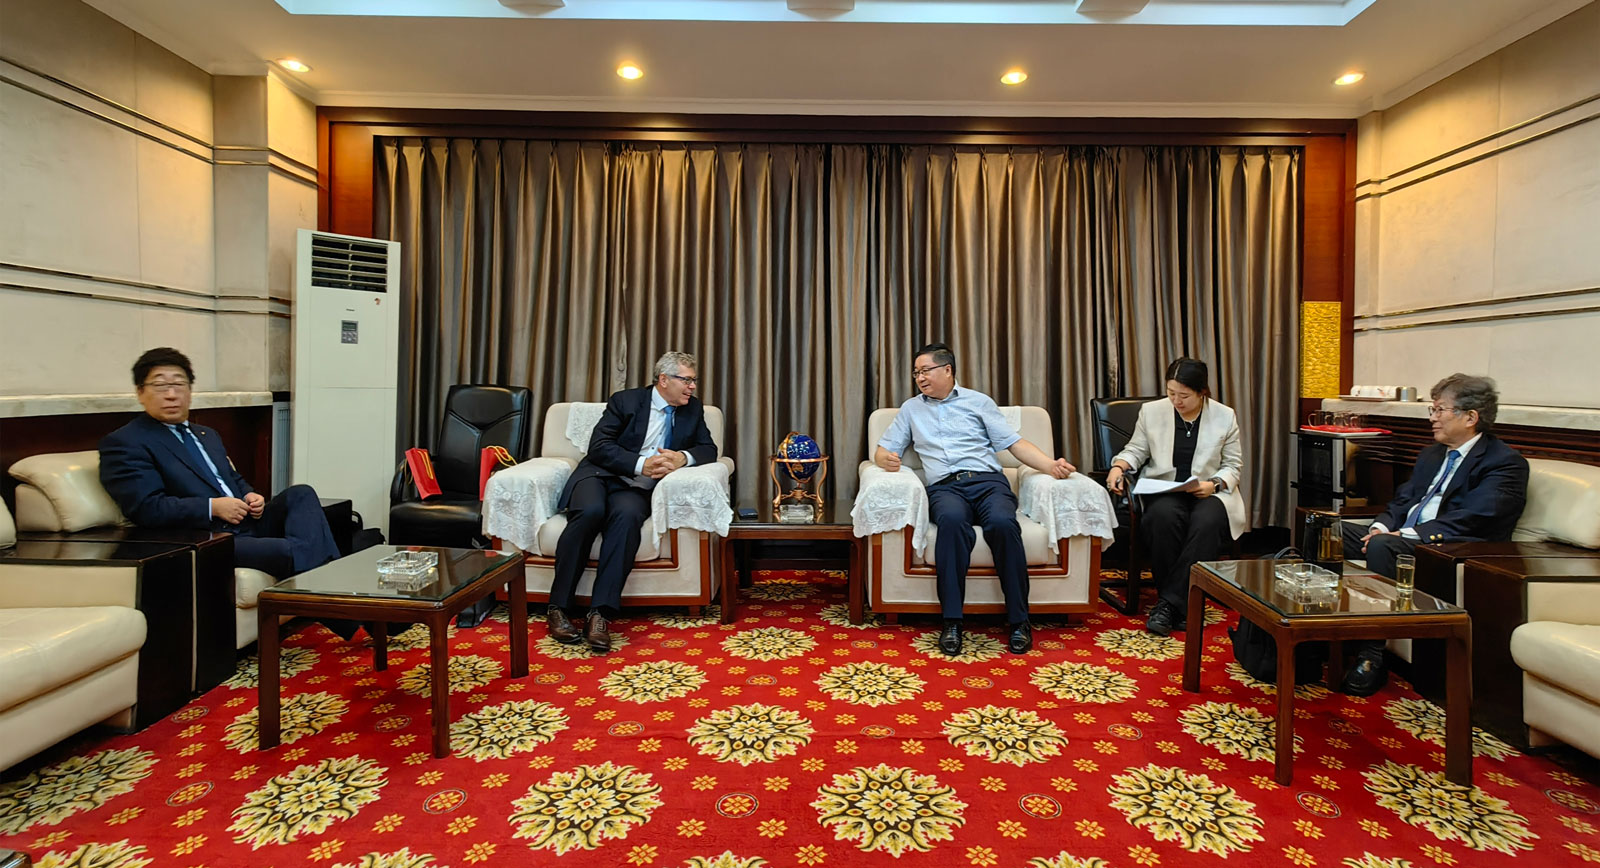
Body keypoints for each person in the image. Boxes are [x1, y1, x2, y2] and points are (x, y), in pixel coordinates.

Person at [99, 347, 350, 635]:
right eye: (160, 385)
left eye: (179, 384)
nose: (171, 394)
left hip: (245, 521)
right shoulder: (125, 443)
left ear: (190, 390)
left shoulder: (207, 435)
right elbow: (147, 507)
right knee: (298, 548)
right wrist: (212, 507)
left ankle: (338, 605)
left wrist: (250, 495)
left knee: (301, 493)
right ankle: (351, 615)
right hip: (208, 537)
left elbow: (231, 480)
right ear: (140, 392)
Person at [875, 342, 1076, 656]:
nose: (920, 378)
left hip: (988, 482)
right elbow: (883, 449)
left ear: (947, 370)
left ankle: (1020, 621)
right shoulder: (911, 409)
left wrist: (1050, 465)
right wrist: (884, 459)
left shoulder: (979, 402)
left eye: (925, 370)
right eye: (916, 373)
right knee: (952, 523)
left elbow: (1014, 443)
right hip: (945, 488)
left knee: (1003, 523)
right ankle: (952, 622)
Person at [1338, 373, 1528, 696]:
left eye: (1440, 410)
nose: (1432, 418)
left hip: (1445, 550)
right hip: (1401, 537)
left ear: (1470, 417)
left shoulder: (1504, 463)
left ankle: (1372, 656)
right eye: (1432, 409)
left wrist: (1403, 534)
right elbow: (1403, 500)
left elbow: (1474, 519)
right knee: (1328, 531)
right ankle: (1315, 637)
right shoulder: (1432, 454)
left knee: (1383, 546)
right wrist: (1380, 526)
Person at [547, 351, 719, 652]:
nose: (692, 387)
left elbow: (709, 449)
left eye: (694, 381)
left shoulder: (692, 409)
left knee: (626, 518)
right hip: (599, 475)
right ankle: (558, 608)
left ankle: (600, 614)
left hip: (636, 489)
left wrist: (683, 457)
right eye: (687, 380)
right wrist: (641, 464)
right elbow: (599, 447)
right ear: (664, 380)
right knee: (591, 511)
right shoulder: (625, 401)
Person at [1105, 358, 1248, 637]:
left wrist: (1213, 484)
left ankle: (1168, 605)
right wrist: (1118, 467)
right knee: (1162, 517)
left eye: (1184, 395)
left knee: (1207, 523)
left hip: (1208, 492)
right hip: (1166, 488)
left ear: (1202, 392)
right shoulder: (1152, 412)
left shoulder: (1224, 416)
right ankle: (1181, 605)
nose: (1176, 401)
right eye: (1171, 393)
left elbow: (1233, 465)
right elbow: (1136, 449)